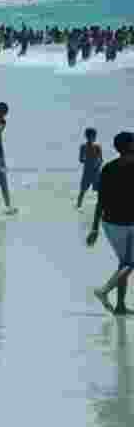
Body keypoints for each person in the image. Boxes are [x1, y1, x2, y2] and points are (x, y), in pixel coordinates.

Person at [87, 131, 134, 316]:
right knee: (129, 263)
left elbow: (101, 200)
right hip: (130, 221)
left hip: (111, 223)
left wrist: (94, 228)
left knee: (125, 263)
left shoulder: (108, 168)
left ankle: (120, 306)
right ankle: (104, 290)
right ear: (129, 146)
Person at [76, 127, 102, 210]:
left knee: (100, 192)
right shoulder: (83, 146)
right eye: (91, 136)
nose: (93, 137)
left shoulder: (97, 146)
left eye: (94, 136)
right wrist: (88, 160)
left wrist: (96, 164)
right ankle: (78, 206)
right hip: (87, 172)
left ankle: (101, 208)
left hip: (96, 172)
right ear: (87, 136)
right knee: (82, 191)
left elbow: (101, 159)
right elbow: (80, 159)